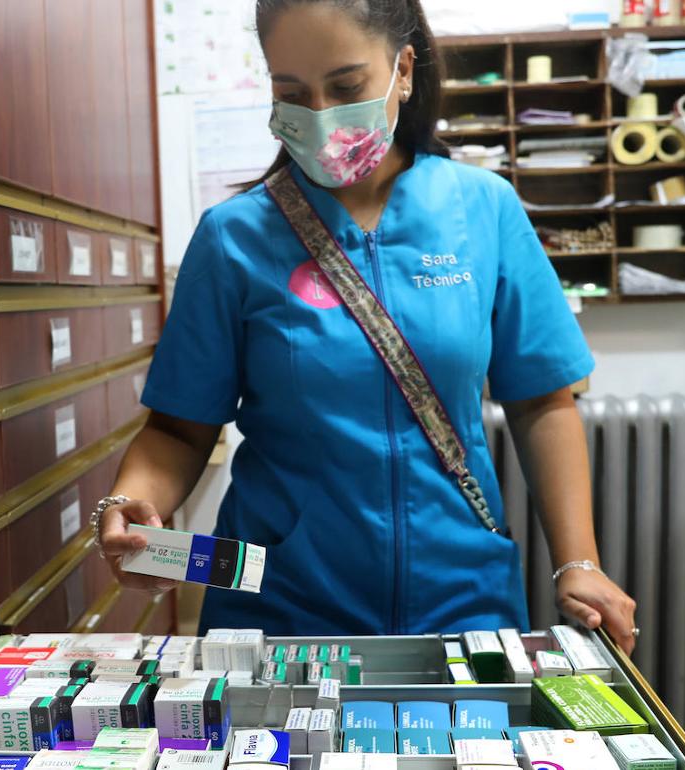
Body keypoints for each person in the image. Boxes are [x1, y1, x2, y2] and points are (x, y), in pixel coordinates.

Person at [94, 0, 638, 653]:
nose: (321, 115)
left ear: (403, 70)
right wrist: (130, 505)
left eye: (347, 87)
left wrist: (578, 561)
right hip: (281, 606)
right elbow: (179, 430)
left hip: (463, 597)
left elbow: (542, 400)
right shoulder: (233, 238)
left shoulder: (483, 209)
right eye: (292, 93)